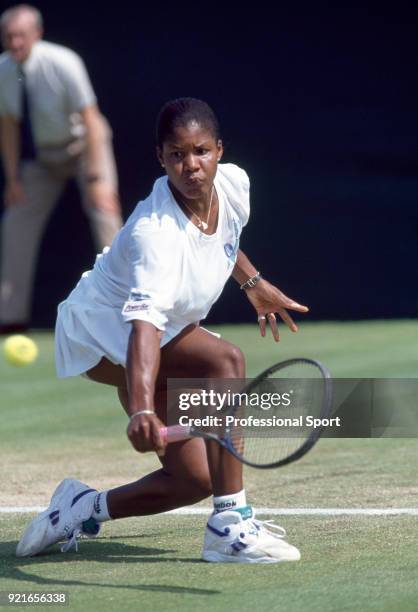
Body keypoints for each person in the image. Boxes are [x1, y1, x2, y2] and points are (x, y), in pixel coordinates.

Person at [16, 97, 309, 563]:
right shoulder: (155, 235)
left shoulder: (233, 184)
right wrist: (139, 409)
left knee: (193, 479)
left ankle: (80, 508)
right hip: (100, 333)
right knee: (225, 361)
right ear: (161, 158)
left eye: (201, 152)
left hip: (156, 333)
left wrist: (253, 283)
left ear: (219, 150)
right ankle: (230, 525)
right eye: (177, 155)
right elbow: (143, 329)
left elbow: (221, 240)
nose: (191, 166)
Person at [0, 4, 123, 334]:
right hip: (44, 158)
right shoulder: (3, 70)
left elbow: (92, 121)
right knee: (15, 221)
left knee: (104, 211)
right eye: (8, 37)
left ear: (37, 34)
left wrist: (98, 180)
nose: (14, 43)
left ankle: (125, 306)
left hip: (86, 147)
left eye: (20, 36)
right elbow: (8, 125)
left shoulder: (64, 62)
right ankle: (9, 319)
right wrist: (12, 179)